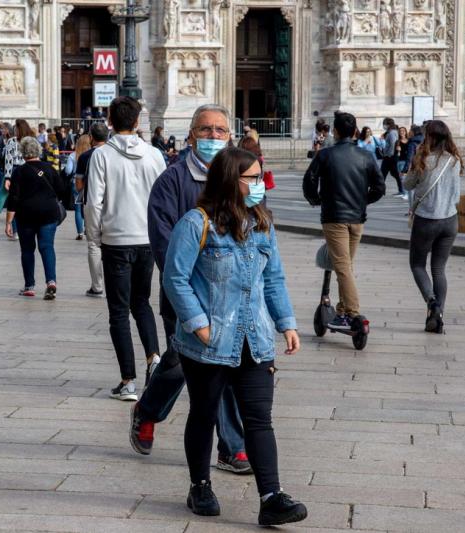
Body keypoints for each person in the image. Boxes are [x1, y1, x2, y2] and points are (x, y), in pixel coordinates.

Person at [162, 146, 307, 526]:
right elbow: (175, 278)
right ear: (231, 180)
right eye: (253, 178)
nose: (260, 184)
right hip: (209, 342)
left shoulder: (262, 222)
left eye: (261, 176)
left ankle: (271, 496)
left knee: (259, 418)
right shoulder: (196, 223)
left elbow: (273, 278)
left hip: (254, 339)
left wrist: (286, 323)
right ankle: (200, 485)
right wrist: (198, 322)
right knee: (204, 413)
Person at [131, 104, 251, 476]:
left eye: (219, 130)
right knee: (180, 363)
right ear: (191, 135)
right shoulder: (172, 180)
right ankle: (148, 410)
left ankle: (231, 446)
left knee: (225, 367)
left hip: (231, 298)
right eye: (205, 130)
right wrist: (188, 292)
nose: (213, 137)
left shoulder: (240, 181)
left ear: (230, 136)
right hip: (185, 295)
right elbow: (164, 243)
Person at [85, 96, 166, 402]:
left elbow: (94, 202)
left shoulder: (102, 155)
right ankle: (154, 356)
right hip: (146, 241)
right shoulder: (155, 155)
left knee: (118, 312)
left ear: (109, 122)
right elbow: (162, 199)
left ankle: (128, 381)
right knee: (142, 303)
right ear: (136, 122)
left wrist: (94, 236)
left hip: (115, 241)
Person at [303, 112, 385, 330]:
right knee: (345, 266)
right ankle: (340, 312)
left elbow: (309, 180)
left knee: (343, 267)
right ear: (356, 132)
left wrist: (315, 199)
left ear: (335, 132)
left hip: (334, 218)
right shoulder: (366, 156)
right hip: (357, 219)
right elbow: (380, 188)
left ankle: (353, 312)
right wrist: (362, 201)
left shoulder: (326, 155)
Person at [404, 120, 463, 334]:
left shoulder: (423, 160)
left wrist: (413, 165)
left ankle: (432, 303)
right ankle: (439, 315)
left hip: (427, 219)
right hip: (450, 220)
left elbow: (407, 185)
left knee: (418, 265)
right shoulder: (455, 160)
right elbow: (456, 195)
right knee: (439, 268)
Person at [6, 137, 64, 299]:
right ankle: (51, 281)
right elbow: (61, 190)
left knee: (27, 250)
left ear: (23, 153)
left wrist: (9, 221)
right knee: (47, 247)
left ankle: (29, 286)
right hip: (48, 212)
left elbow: (14, 198)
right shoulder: (49, 168)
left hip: (26, 214)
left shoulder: (19, 171)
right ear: (38, 150)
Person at [76, 122, 108, 297]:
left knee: (94, 244)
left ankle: (97, 286)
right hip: (113, 204)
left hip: (92, 203)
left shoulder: (86, 156)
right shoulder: (114, 154)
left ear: (91, 137)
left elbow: (79, 184)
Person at [0, 119, 35, 235]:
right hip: (18, 169)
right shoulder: (13, 141)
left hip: (25, 169)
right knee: (15, 199)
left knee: (22, 199)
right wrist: (8, 177)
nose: (15, 131)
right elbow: (8, 160)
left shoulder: (29, 140)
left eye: (16, 129)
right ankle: (16, 230)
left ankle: (24, 228)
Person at [65, 134, 91, 240]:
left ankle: (80, 232)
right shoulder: (93, 154)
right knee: (89, 207)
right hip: (90, 183)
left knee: (78, 209)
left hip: (76, 182)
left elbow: (68, 171)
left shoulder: (73, 155)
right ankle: (88, 229)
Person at [381, 117, 405, 198]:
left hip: (389, 157)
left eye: (384, 124)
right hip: (391, 157)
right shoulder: (392, 132)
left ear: (388, 124)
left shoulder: (391, 133)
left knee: (383, 173)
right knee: (394, 173)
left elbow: (392, 144)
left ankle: (380, 190)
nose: (384, 126)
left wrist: (388, 155)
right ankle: (401, 190)